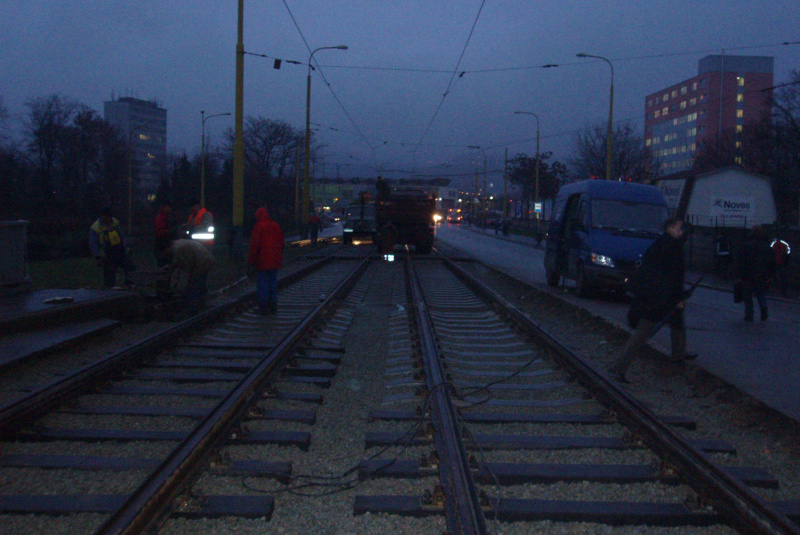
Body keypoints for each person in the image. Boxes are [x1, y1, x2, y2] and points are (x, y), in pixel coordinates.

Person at [607, 217, 694, 383]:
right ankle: (618, 367)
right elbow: (671, 277)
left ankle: (678, 354)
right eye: (679, 228)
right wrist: (678, 297)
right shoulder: (669, 247)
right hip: (658, 298)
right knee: (643, 332)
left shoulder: (664, 244)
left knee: (675, 322)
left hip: (658, 296)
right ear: (670, 228)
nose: (682, 231)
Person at [248, 207, 285, 315]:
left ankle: (263, 308)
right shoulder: (276, 225)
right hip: (275, 261)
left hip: (263, 261)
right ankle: (273, 306)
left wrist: (251, 261)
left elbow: (255, 245)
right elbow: (282, 243)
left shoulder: (259, 226)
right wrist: (279, 258)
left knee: (263, 285)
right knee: (272, 284)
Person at [736, 225, 776, 321]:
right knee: (761, 293)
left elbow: (741, 261)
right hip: (762, 275)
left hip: (748, 275)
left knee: (748, 296)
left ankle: (749, 315)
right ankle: (763, 308)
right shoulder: (767, 246)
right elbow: (772, 262)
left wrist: (740, 275)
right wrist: (770, 275)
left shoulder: (746, 245)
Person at [89, 207, 134, 288]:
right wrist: (97, 257)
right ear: (103, 216)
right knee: (110, 274)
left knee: (130, 268)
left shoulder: (115, 222)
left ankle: (130, 285)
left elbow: (122, 235)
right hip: (108, 254)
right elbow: (93, 244)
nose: (110, 218)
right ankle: (109, 290)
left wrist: (127, 247)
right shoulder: (95, 228)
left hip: (120, 251)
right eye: (108, 216)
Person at [168, 238, 214, 312]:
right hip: (204, 259)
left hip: (202, 261)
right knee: (199, 283)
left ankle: (192, 307)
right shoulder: (178, 244)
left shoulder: (177, 248)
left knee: (194, 285)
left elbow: (186, 262)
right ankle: (201, 303)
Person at [153, 202, 174, 267]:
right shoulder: (161, 218)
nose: (170, 210)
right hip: (162, 244)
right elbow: (159, 232)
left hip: (163, 244)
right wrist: (169, 232)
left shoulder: (164, 217)